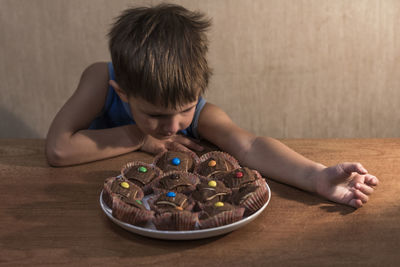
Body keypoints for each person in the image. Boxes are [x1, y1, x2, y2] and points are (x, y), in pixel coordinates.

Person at [45, 3, 378, 208]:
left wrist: (316, 176)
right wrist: (140, 137)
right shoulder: (100, 80)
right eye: (155, 115)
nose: (173, 126)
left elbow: (250, 146)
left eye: (186, 108)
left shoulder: (203, 115)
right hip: (80, 204)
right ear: (123, 94)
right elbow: (59, 150)